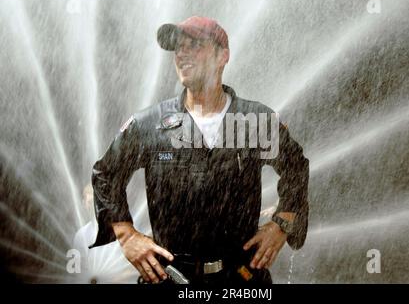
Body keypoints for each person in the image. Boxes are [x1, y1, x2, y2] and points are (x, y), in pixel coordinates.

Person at [90, 16, 309, 285]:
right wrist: (126, 234)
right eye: (178, 48)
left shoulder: (255, 121)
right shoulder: (150, 124)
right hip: (171, 277)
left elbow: (296, 167)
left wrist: (282, 223)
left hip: (241, 278)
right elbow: (105, 173)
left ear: (222, 56)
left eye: (194, 45)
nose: (181, 54)